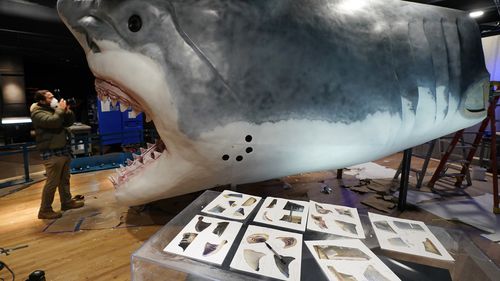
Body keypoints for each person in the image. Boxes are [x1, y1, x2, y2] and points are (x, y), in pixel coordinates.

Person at [31, 90, 84, 219]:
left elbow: (68, 122)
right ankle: (45, 210)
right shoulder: (37, 112)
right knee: (52, 182)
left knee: (64, 179)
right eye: (50, 98)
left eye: (53, 96)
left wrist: (67, 110)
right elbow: (53, 122)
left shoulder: (53, 109)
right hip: (51, 152)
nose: (53, 99)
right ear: (42, 101)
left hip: (62, 149)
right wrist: (60, 110)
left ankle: (66, 202)